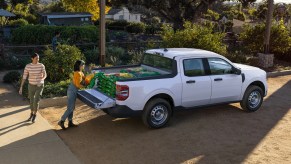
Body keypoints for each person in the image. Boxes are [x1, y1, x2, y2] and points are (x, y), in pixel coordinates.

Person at [19, 53, 47, 123]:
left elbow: (45, 74)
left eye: (38, 58)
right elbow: (24, 77)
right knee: (31, 101)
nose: (38, 59)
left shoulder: (41, 65)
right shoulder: (28, 66)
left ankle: (35, 115)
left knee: (36, 101)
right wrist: (21, 87)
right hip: (31, 85)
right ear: (32, 58)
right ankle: (31, 113)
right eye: (36, 58)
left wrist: (42, 80)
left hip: (39, 85)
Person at [58, 60, 86, 130]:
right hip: (72, 91)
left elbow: (84, 79)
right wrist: (84, 86)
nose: (83, 66)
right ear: (79, 66)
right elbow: (77, 84)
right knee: (70, 108)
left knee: (71, 107)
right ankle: (61, 121)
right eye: (83, 65)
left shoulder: (80, 73)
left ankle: (70, 122)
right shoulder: (78, 73)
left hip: (73, 91)